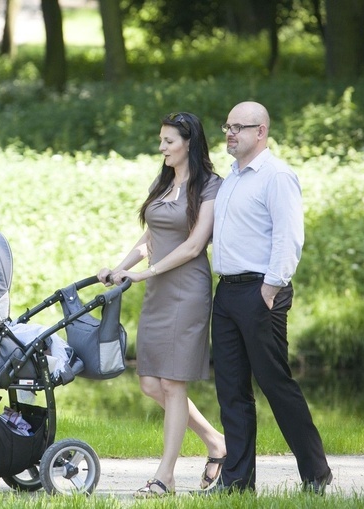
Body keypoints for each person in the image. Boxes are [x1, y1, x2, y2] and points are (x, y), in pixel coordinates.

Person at [98, 112, 226, 496]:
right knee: (151, 383)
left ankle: (165, 476)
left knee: (173, 381)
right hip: (157, 289)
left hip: (187, 289)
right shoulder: (165, 181)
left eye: (168, 141)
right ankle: (217, 443)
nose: (162, 148)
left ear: (189, 142)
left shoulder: (210, 186)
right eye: (161, 141)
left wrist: (146, 273)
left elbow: (193, 245)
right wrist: (120, 268)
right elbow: (150, 237)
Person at [209, 101, 332, 494]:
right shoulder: (231, 176)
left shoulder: (276, 176)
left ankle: (316, 475)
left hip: (261, 292)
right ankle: (237, 484)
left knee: (275, 384)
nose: (230, 133)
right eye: (227, 126)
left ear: (260, 131)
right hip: (227, 293)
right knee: (231, 389)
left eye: (239, 127)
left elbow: (289, 236)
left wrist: (271, 287)